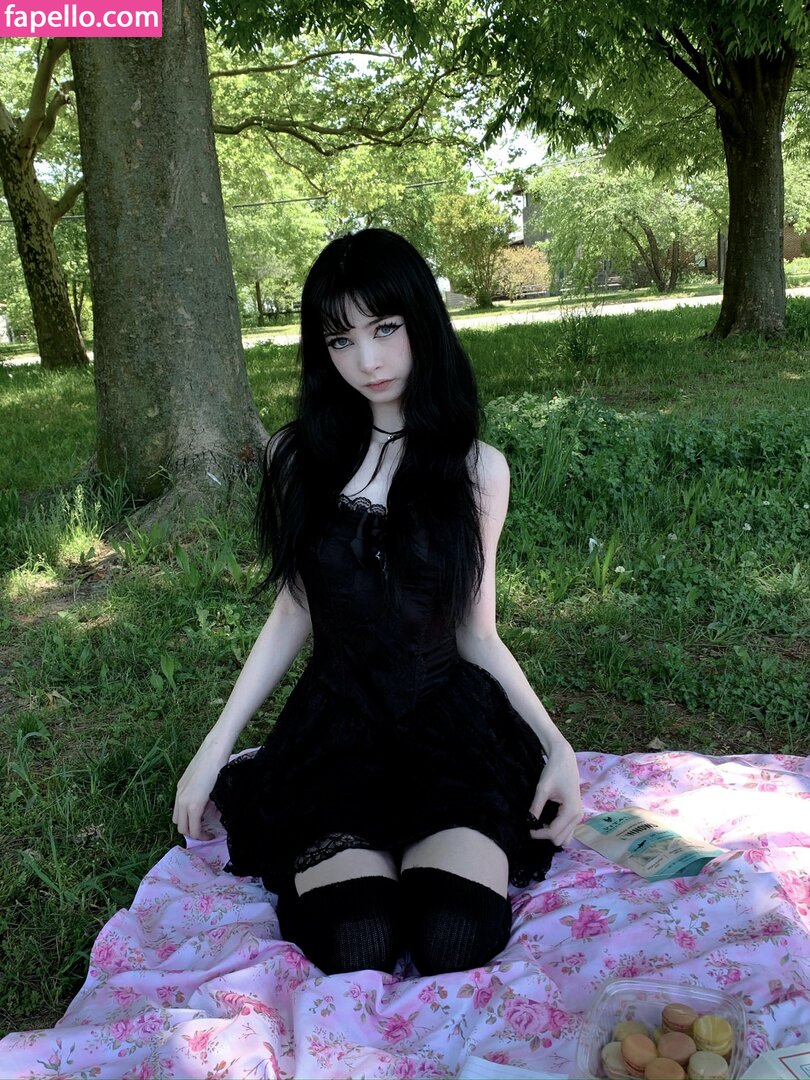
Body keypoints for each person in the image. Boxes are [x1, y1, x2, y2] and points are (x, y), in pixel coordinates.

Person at [172, 228, 583, 977]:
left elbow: (478, 634)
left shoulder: (478, 470)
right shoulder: (297, 458)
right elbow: (294, 611)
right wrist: (212, 752)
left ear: (422, 321)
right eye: (341, 339)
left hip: (449, 732)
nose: (367, 359)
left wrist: (558, 747)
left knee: (453, 936)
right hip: (336, 735)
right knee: (356, 938)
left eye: (385, 328)